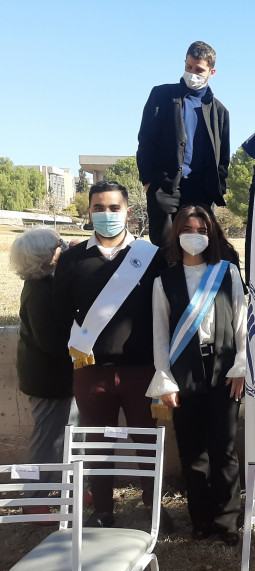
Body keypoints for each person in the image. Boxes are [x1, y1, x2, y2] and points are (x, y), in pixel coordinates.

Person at [53, 180, 166, 528]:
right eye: (99, 208)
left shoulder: (151, 256)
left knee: (146, 443)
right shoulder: (73, 258)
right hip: (91, 370)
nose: (106, 214)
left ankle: (153, 507)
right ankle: (102, 509)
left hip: (141, 371)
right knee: (96, 444)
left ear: (128, 212)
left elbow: (164, 311)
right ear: (89, 211)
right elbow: (60, 313)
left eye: (113, 208)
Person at [147, 206, 246, 545]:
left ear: (211, 233)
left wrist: (242, 365)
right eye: (187, 228)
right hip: (183, 371)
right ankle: (200, 521)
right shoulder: (164, 281)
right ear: (176, 234)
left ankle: (227, 522)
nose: (194, 234)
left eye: (201, 228)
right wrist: (165, 379)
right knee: (193, 452)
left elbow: (241, 323)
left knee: (224, 450)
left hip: (224, 368)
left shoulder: (227, 272)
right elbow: (160, 333)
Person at [137, 41, 230, 248]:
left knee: (197, 250)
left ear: (211, 72)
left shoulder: (220, 111)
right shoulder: (161, 95)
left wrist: (218, 189)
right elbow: (146, 139)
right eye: (189, 67)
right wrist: (149, 182)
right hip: (164, 188)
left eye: (199, 70)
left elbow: (223, 157)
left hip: (200, 193)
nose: (192, 73)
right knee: (163, 251)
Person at [11, 228, 77, 508]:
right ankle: (35, 499)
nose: (63, 247)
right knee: (48, 439)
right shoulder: (38, 292)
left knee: (62, 435)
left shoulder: (44, 283)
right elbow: (51, 342)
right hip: (47, 379)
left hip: (52, 376)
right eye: (58, 245)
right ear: (46, 255)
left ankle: (61, 491)